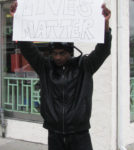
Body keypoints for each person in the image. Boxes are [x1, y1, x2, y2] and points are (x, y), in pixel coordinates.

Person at [10, 1, 112, 150]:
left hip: (80, 134)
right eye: (54, 53)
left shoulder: (84, 66)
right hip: (54, 134)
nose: (57, 57)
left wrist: (105, 25)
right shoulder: (45, 67)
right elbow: (27, 47)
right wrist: (17, 18)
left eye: (62, 53)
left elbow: (103, 50)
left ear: (70, 53)